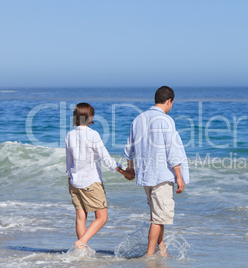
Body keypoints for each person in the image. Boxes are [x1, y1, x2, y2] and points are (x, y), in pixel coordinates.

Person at [124, 86, 190, 256]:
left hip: (146, 176)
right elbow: (172, 151)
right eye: (172, 103)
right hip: (161, 176)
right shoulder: (165, 120)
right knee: (158, 217)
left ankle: (161, 248)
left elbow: (129, 149)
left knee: (157, 215)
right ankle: (149, 254)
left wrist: (130, 169)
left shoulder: (139, 119)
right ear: (169, 101)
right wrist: (179, 177)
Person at [66, 102, 134, 249]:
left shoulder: (69, 135)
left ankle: (82, 251)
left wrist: (70, 179)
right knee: (102, 217)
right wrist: (123, 172)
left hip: (74, 182)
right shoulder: (93, 135)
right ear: (90, 117)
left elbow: (68, 162)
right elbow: (106, 158)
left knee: (80, 217)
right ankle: (81, 242)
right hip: (91, 182)